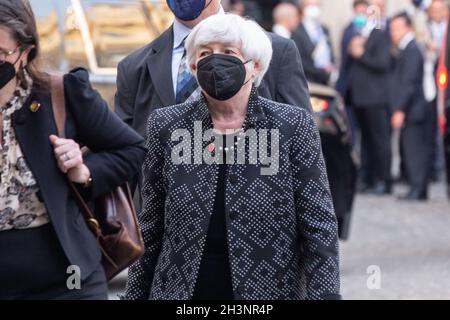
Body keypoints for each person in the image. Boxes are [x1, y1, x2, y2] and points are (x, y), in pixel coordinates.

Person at [123, 13, 340, 300]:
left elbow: (318, 225)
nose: (216, 61)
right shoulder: (166, 125)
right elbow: (149, 226)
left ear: (255, 65)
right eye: (205, 53)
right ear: (192, 65)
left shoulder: (291, 125)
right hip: (182, 292)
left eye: (228, 52)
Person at [0, 1, 145, 299]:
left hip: (66, 279)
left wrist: (85, 171)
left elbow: (132, 149)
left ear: (26, 52)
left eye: (1, 53)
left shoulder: (61, 93)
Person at [347, 0, 393, 195]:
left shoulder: (383, 32)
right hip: (360, 97)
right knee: (365, 141)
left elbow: (382, 63)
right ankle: (367, 178)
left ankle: (384, 179)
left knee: (380, 140)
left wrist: (361, 54)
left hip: (376, 97)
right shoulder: (360, 31)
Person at [389, 12, 430, 200]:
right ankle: (416, 187)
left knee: (415, 151)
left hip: (413, 110)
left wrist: (399, 109)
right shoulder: (406, 49)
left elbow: (409, 83)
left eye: (397, 28)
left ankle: (418, 188)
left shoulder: (412, 49)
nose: (393, 33)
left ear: (408, 28)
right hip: (411, 109)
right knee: (410, 149)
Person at [292, 0, 336, 85]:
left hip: (326, 82)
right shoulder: (297, 30)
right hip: (308, 82)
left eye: (316, 5)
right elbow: (299, 61)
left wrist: (331, 68)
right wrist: (322, 71)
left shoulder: (324, 29)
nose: (314, 8)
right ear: (302, 8)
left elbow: (330, 53)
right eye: (310, 5)